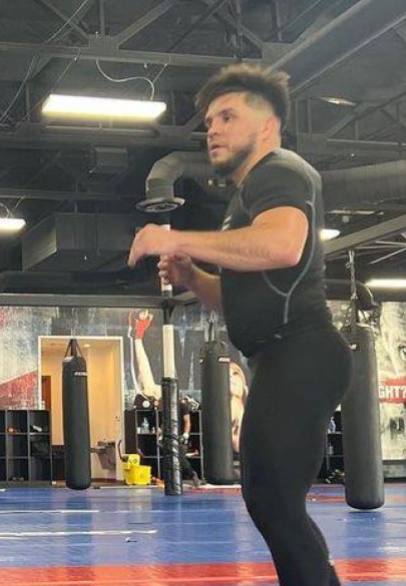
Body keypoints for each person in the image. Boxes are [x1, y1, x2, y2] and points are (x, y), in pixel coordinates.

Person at [128, 64, 351, 586]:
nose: (214, 129)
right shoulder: (243, 199)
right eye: (209, 121)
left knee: (272, 499)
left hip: (302, 351)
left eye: (228, 116)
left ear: (268, 126)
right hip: (280, 357)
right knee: (274, 502)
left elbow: (281, 245)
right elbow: (239, 300)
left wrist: (176, 240)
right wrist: (193, 274)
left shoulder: (280, 170)